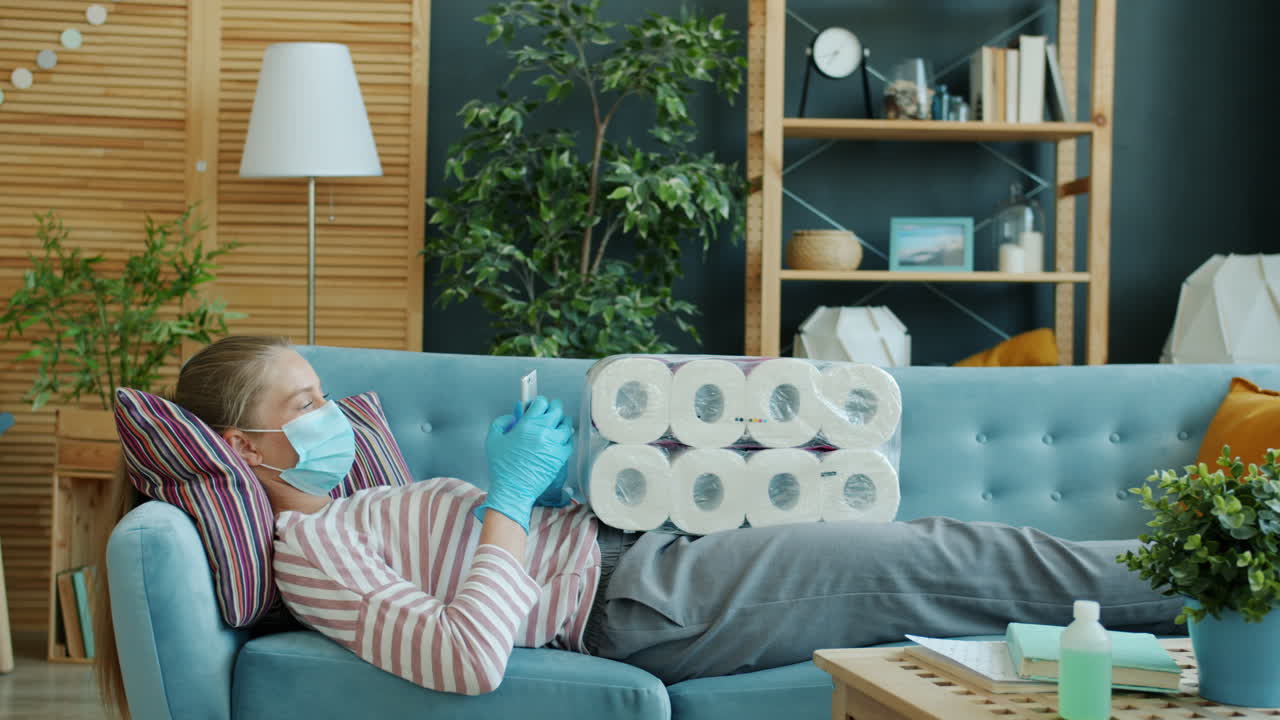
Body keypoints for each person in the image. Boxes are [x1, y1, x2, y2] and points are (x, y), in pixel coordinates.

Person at [96, 336, 1182, 712]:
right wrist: (510, 502)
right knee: (946, 561)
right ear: (241, 451)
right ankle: (1218, 578)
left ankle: (1205, 585)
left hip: (626, 548)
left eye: (326, 394)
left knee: (934, 547)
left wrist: (540, 489)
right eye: (302, 407)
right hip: (635, 602)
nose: (330, 416)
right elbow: (469, 657)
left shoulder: (346, 502)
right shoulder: (313, 551)